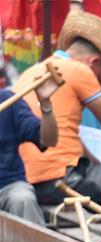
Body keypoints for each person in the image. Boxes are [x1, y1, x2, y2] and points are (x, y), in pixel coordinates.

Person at [13, 10, 101, 205]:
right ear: (94, 62)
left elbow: (70, 138)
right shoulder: (79, 69)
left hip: (25, 178)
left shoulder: (32, 71)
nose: (100, 84)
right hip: (62, 177)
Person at [0, 64, 60, 225]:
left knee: (23, 199)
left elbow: (48, 140)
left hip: (7, 187)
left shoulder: (8, 100)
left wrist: (46, 104)